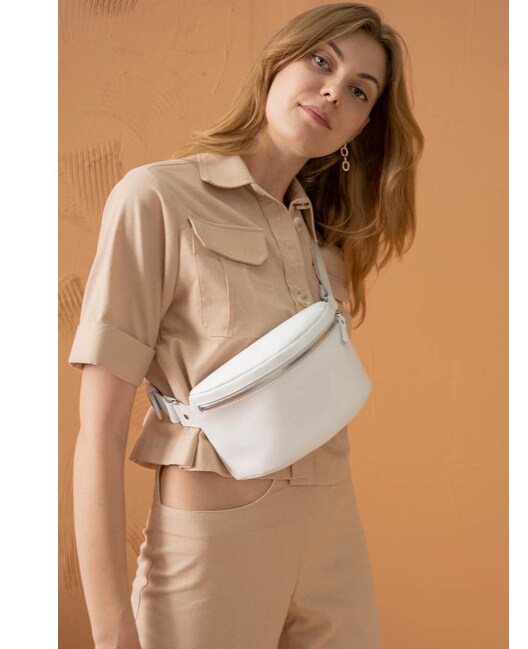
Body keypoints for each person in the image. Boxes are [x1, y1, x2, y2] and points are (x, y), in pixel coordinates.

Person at [68, 3, 424, 648]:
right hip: (214, 548)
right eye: (321, 61)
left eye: (359, 91)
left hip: (334, 534)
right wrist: (112, 628)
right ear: (275, 64)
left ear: (360, 128)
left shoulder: (325, 241)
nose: (333, 91)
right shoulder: (157, 198)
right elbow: (100, 431)